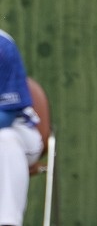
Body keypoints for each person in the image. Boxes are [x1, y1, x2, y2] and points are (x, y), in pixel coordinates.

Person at [0, 29, 43, 226]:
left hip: (17, 131)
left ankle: (7, 222)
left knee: (4, 139)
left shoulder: (3, 46)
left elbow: (6, 116)